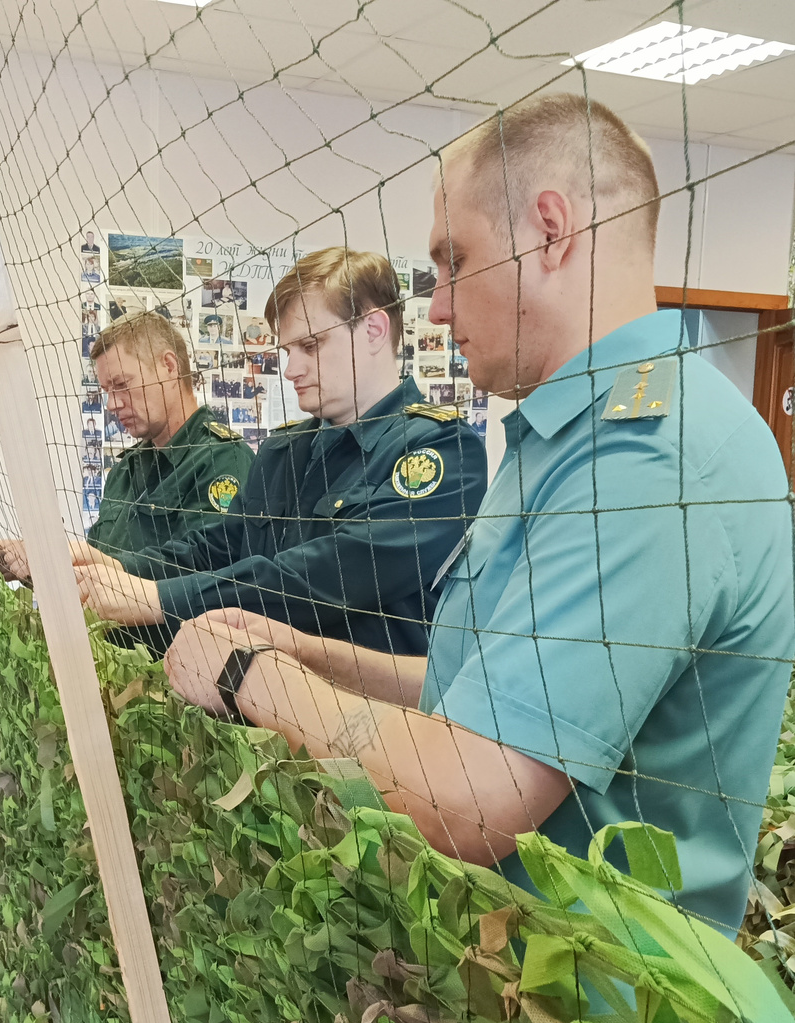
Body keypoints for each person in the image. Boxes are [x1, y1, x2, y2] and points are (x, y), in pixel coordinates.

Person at [161, 95, 795, 941]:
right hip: (498, 963)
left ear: (550, 232)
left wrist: (248, 675)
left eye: (454, 262)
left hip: (590, 995)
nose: (437, 309)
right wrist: (306, 652)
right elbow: (491, 693)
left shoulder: (648, 457)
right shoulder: (567, 439)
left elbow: (470, 796)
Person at [71, 247, 487, 656]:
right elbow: (218, 545)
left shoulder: (441, 449)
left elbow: (327, 574)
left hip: (365, 697)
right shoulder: (283, 450)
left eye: (311, 346)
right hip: (256, 687)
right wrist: (117, 569)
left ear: (374, 330)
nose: (291, 370)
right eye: (289, 351)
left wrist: (158, 598)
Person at [0, 310, 255, 628]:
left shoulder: (222, 459)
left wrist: (112, 567)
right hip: (106, 650)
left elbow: (211, 573)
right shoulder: (125, 470)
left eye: (121, 384)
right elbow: (94, 573)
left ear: (168, 366)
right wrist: (41, 561)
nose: (112, 404)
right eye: (107, 390)